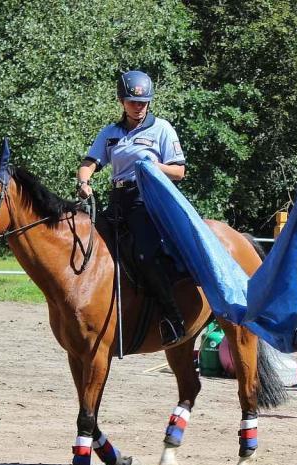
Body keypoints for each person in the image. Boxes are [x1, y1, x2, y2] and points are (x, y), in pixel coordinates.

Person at [76, 70, 188, 345]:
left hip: (146, 199)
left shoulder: (162, 129)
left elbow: (179, 171)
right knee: (87, 248)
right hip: (117, 201)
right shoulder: (110, 133)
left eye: (144, 103)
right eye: (133, 102)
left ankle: (173, 318)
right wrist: (84, 181)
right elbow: (90, 162)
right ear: (121, 101)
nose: (139, 107)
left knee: (144, 256)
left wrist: (152, 167)